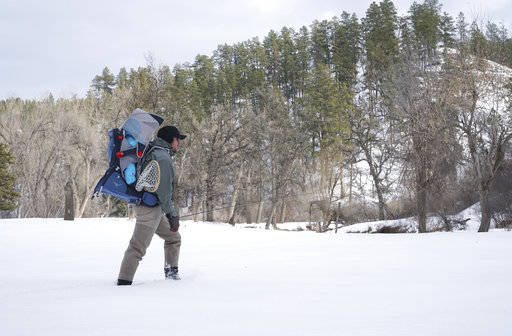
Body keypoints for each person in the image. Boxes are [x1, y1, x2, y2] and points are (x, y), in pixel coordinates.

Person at [117, 125, 186, 286]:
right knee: (137, 248)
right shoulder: (163, 158)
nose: (179, 144)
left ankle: (171, 276)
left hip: (151, 207)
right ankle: (123, 283)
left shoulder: (154, 151)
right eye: (178, 140)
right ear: (171, 139)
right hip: (149, 210)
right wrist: (172, 215)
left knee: (173, 238)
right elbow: (164, 192)